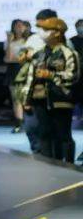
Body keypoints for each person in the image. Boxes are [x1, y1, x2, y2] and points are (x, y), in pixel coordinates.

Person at [22, 17, 79, 162]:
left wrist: (51, 75)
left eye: (46, 29)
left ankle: (68, 165)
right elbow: (31, 77)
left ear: (57, 32)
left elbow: (73, 76)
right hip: (41, 100)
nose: (42, 32)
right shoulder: (40, 53)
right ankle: (47, 164)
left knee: (63, 135)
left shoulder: (69, 53)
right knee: (44, 133)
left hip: (61, 100)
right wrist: (26, 98)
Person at [20, 9, 60, 152]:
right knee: (33, 128)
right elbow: (23, 60)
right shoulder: (33, 39)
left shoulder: (63, 43)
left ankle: (56, 159)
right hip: (35, 91)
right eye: (38, 25)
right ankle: (39, 156)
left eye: (43, 25)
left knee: (54, 131)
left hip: (55, 93)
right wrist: (24, 56)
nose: (40, 29)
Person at [5, 19, 30, 132]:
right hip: (13, 71)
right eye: (17, 26)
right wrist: (9, 41)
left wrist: (18, 59)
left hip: (26, 71)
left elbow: (27, 58)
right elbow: (8, 58)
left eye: (21, 26)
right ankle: (19, 123)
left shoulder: (28, 41)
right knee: (16, 99)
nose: (19, 28)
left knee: (26, 98)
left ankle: (29, 122)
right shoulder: (9, 41)